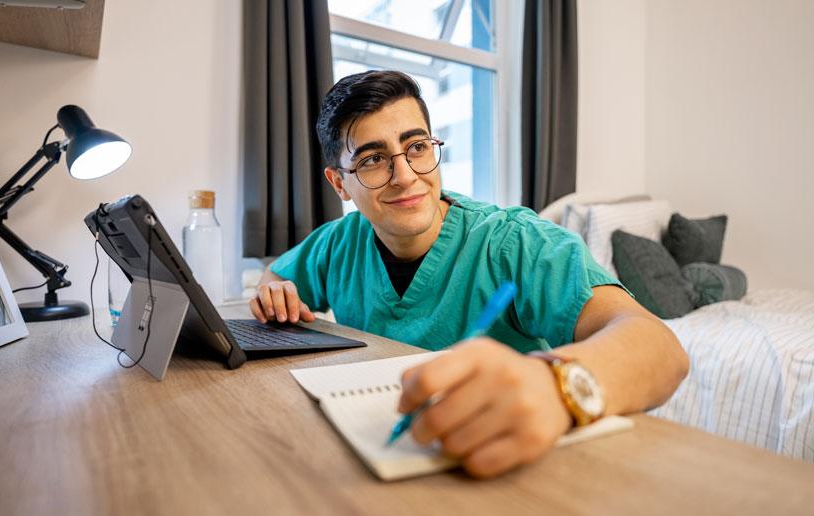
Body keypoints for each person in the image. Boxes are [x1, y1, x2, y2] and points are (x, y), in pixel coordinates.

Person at [250, 70, 689, 478]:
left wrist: (556, 387)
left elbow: (660, 348)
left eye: (417, 147)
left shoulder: (514, 241)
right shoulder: (339, 241)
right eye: (372, 159)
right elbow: (277, 275)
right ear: (339, 183)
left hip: (503, 468)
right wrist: (276, 291)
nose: (404, 176)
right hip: (372, 456)